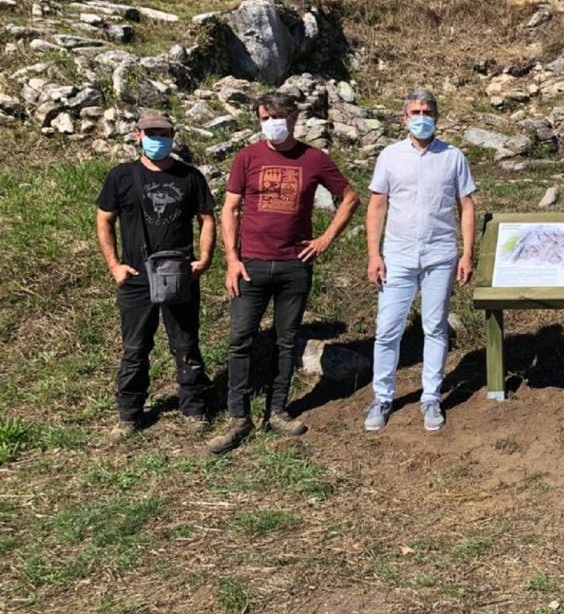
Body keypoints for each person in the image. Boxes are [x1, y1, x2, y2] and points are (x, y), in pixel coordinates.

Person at [209, 92, 360, 454]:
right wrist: (232, 258)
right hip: (252, 265)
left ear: (293, 118)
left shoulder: (314, 159)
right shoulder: (247, 157)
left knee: (286, 340)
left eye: (277, 116)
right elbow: (229, 209)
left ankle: (277, 410)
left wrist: (324, 240)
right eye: (264, 117)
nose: (271, 123)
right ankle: (238, 417)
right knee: (241, 339)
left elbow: (350, 198)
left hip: (295, 265)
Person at [95, 111, 216, 439]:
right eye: (151, 133)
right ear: (138, 135)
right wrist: (114, 265)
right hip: (135, 276)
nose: (157, 139)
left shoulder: (189, 176)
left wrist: (203, 259)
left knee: (186, 343)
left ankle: (194, 408)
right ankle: (129, 414)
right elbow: (104, 219)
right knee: (135, 347)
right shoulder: (121, 176)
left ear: (173, 136)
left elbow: (207, 218)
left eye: (163, 132)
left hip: (180, 274)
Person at [363, 88, 476, 432]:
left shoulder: (453, 157)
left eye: (427, 111)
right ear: (404, 118)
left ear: (437, 117)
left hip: (440, 255)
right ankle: (382, 397)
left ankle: (431, 397)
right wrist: (373, 254)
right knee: (387, 330)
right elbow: (377, 205)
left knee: (436, 328)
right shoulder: (390, 156)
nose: (421, 117)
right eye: (415, 112)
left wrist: (467, 254)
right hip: (397, 255)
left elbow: (466, 206)